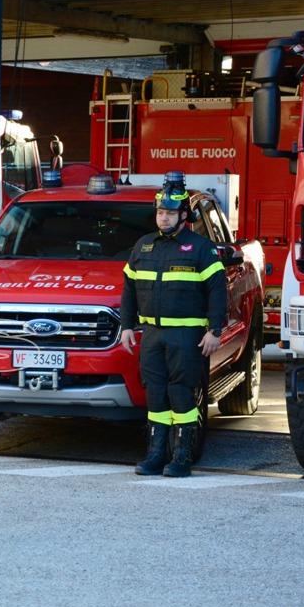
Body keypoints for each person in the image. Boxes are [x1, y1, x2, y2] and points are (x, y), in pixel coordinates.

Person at [119, 173, 227, 478]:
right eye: (160, 212)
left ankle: (182, 458)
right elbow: (129, 289)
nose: (163, 218)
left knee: (181, 394)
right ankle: (156, 455)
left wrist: (215, 330)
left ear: (183, 216)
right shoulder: (144, 246)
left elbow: (217, 292)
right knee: (155, 394)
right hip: (153, 335)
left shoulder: (201, 248)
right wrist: (127, 326)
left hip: (187, 336)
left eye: (169, 213)